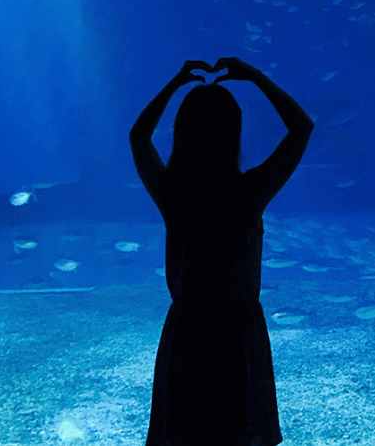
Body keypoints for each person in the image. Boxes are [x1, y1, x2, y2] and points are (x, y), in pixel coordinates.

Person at [129, 57, 314, 446]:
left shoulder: (173, 195)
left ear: (181, 134)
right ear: (235, 133)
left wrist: (176, 82)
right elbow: (301, 128)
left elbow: (139, 138)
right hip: (237, 334)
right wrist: (256, 77)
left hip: (187, 332)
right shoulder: (248, 193)